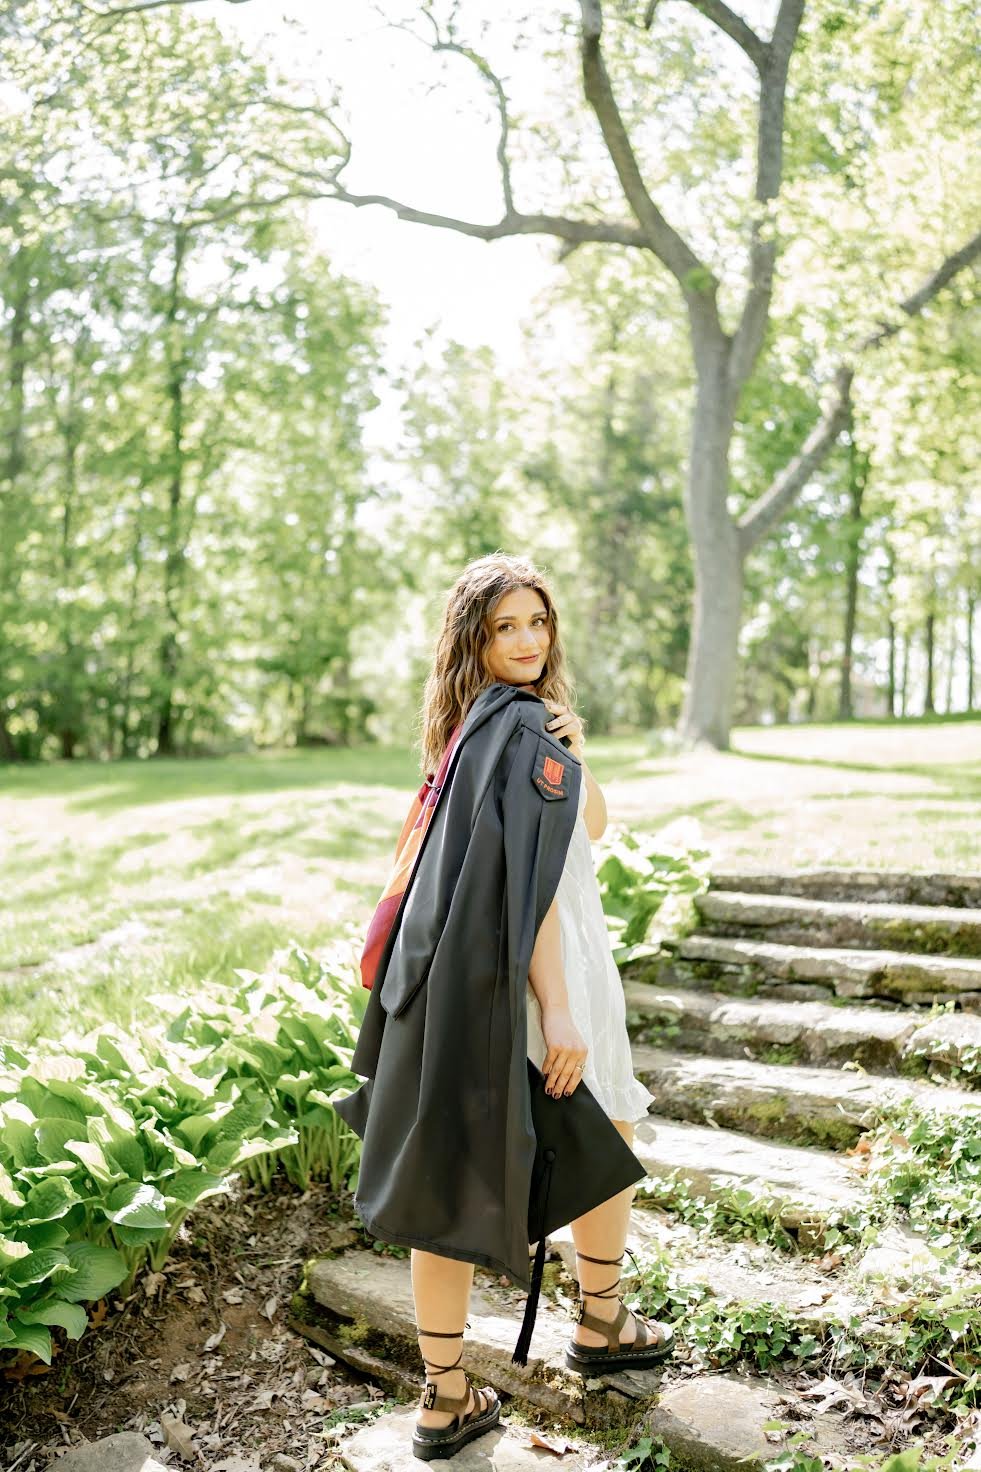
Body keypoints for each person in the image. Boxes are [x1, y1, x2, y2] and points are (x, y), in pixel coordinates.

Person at [397, 554, 673, 1459]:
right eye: (503, 627)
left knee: (448, 1172)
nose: (525, 642)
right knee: (611, 1126)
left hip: (464, 980)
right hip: (544, 968)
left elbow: (585, 825)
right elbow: (535, 885)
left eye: (537, 624)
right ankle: (599, 1322)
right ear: (473, 640)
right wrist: (558, 1007)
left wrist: (572, 749)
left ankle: (444, 1396)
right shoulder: (519, 730)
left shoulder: (476, 728)